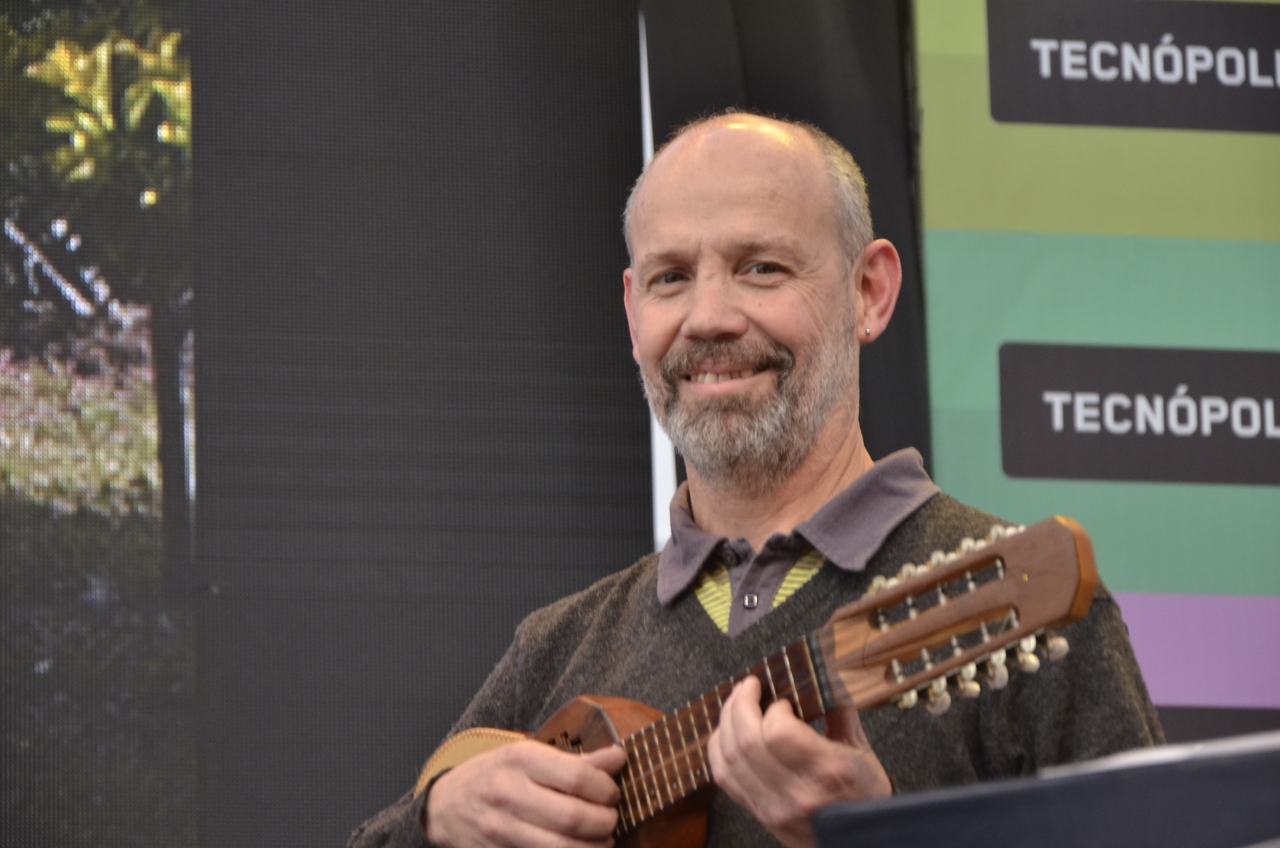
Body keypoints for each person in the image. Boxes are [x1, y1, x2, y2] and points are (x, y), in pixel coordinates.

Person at [348, 112, 1162, 848]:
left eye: (762, 268)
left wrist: (879, 839)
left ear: (869, 293)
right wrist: (439, 819)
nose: (709, 317)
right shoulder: (559, 645)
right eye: (671, 277)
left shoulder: (1022, 605)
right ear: (633, 313)